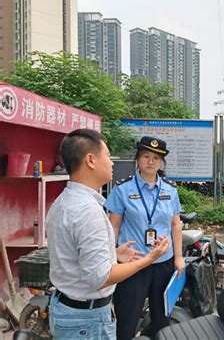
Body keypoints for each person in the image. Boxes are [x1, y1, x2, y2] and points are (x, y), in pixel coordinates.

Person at [46, 129, 169, 340]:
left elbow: (79, 255)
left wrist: (114, 255)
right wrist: (148, 260)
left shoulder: (65, 201)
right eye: (107, 156)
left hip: (71, 310)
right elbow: (99, 278)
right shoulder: (88, 211)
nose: (112, 162)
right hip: (87, 320)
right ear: (91, 160)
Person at [104, 136, 185, 339]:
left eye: (156, 158)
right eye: (146, 156)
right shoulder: (122, 189)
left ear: (162, 162)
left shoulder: (170, 189)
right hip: (134, 263)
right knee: (127, 318)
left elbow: (176, 224)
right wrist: (110, 255)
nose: (151, 161)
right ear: (138, 159)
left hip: (163, 263)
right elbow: (113, 224)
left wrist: (178, 257)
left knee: (161, 320)